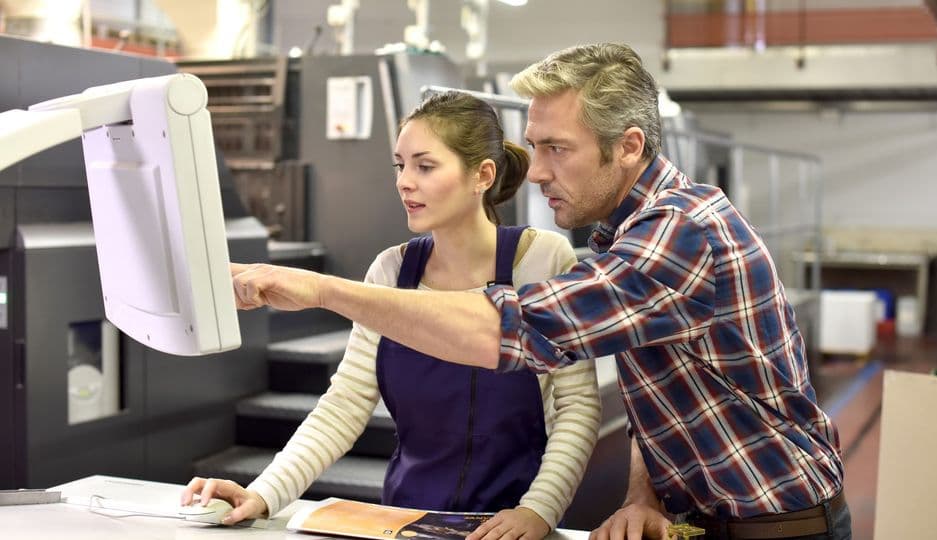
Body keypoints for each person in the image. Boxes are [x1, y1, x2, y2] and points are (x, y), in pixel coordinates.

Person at [230, 43, 849, 540]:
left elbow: (511, 330)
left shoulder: (677, 234)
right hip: (704, 518)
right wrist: (644, 493)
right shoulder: (621, 234)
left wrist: (318, 290)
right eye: (536, 146)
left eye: (558, 149)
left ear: (628, 145)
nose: (542, 170)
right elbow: (661, 399)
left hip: (776, 526)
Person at [182, 90, 601, 540]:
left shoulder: (542, 259)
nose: (404, 181)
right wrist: (263, 494)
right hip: (406, 520)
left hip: (510, 524)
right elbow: (344, 404)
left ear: (482, 175)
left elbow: (577, 408)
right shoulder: (391, 269)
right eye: (400, 166)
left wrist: (538, 512)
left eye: (425, 165)